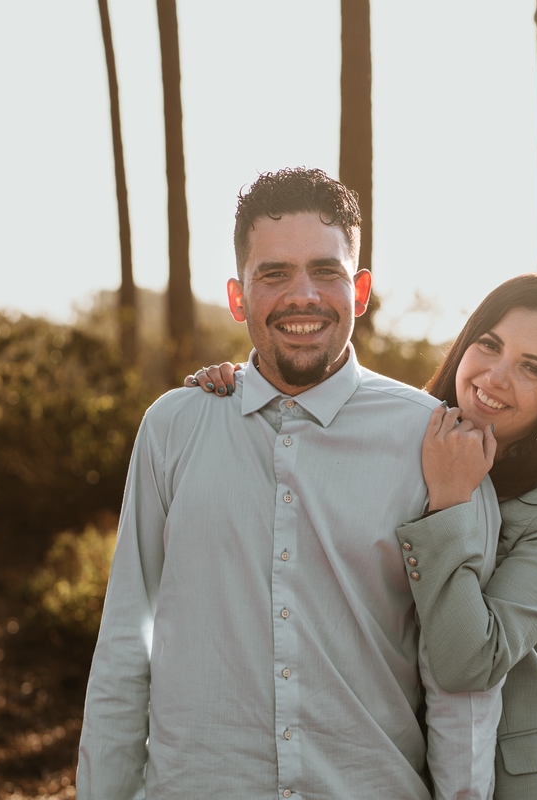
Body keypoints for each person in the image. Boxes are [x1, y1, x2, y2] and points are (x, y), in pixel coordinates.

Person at [77, 167, 505, 800]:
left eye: (325, 271)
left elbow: (458, 682)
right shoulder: (174, 428)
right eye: (274, 274)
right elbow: (124, 645)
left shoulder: (435, 444)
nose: (302, 296)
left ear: (360, 290)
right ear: (238, 297)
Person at [190, 264, 537, 799]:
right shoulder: (405, 439)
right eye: (489, 345)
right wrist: (245, 387)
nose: (494, 377)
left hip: (518, 783)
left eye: (532, 368)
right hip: (391, 759)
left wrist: (450, 502)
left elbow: (469, 662)